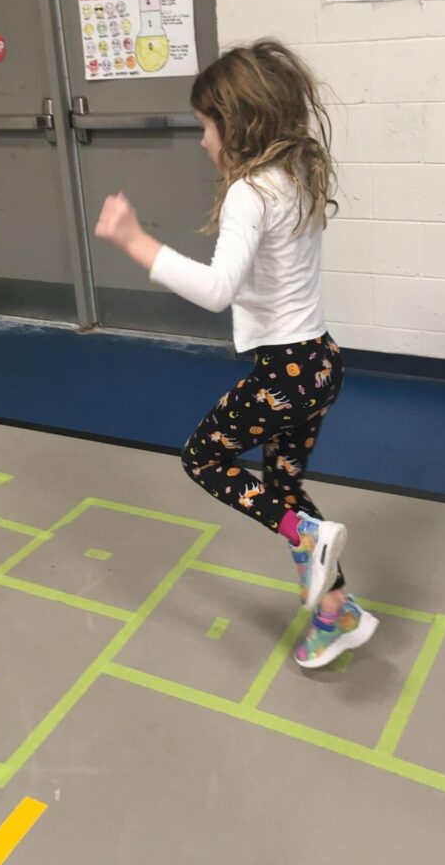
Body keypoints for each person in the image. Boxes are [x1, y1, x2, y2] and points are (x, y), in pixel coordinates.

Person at [95, 40, 378, 668]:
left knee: (203, 458)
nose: (202, 141)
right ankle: (337, 612)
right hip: (321, 364)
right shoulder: (297, 173)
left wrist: (135, 241)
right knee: (282, 485)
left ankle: (306, 535)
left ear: (239, 123)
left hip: (286, 374)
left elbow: (218, 290)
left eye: (206, 126)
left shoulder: (251, 190)